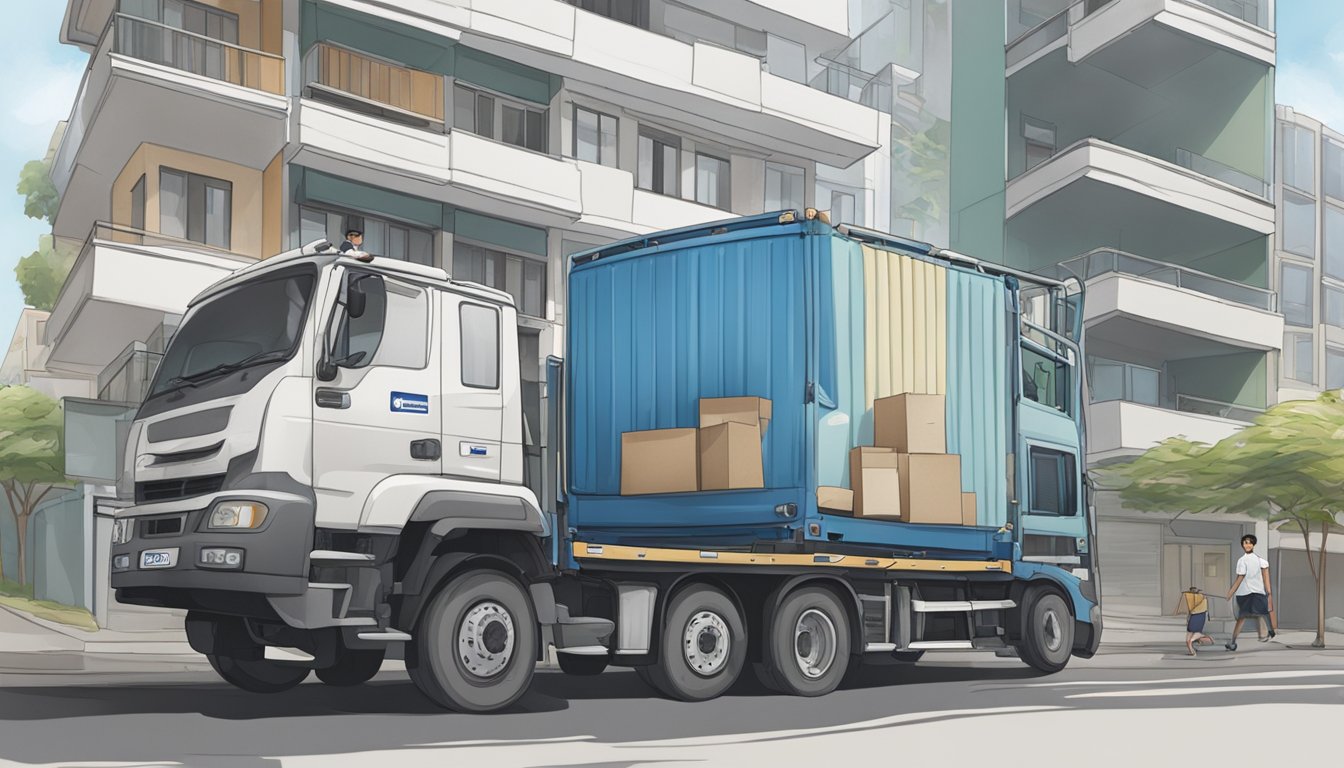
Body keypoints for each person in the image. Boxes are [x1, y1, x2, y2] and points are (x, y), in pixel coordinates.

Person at [1224, 533, 1274, 651]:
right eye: (1245, 542)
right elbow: (1240, 579)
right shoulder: (1245, 561)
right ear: (1242, 545)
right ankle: (1234, 641)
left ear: (1253, 545)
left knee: (1258, 614)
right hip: (1247, 593)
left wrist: (1269, 592)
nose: (1248, 545)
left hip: (1253, 592)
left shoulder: (1259, 561)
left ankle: (1265, 633)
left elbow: (1265, 578)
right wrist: (1231, 592)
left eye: (1250, 542)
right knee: (1252, 615)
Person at [1173, 587, 1214, 656]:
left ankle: (1195, 648)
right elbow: (1189, 609)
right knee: (1188, 640)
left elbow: (1203, 608)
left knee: (1190, 640)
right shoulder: (1190, 596)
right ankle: (1193, 651)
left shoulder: (1202, 597)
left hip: (1199, 616)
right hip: (1194, 616)